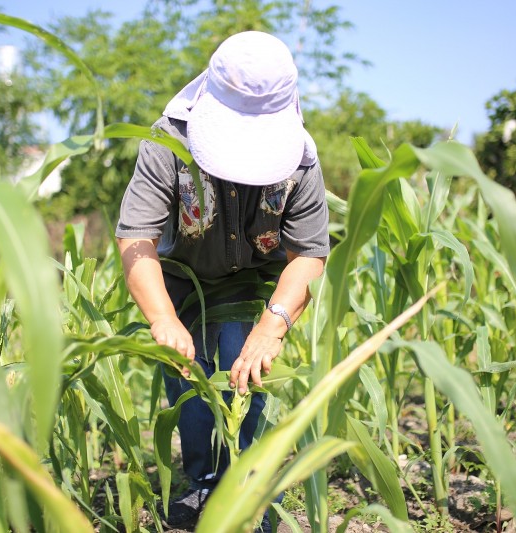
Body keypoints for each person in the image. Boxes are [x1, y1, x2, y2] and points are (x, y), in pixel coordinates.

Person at [115, 30, 329, 532]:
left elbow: (309, 252)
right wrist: (163, 318)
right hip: (179, 281)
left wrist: (273, 324)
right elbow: (136, 238)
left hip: (253, 282)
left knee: (242, 368)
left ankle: (246, 488)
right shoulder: (167, 141)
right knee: (188, 380)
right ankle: (204, 483)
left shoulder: (301, 160)